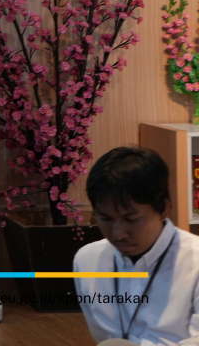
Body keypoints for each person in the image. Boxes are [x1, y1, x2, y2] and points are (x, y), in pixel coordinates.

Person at [74, 146, 199, 346]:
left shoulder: (194, 260)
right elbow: (102, 336)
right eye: (105, 218)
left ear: (164, 208)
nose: (118, 234)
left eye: (131, 219)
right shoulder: (88, 260)